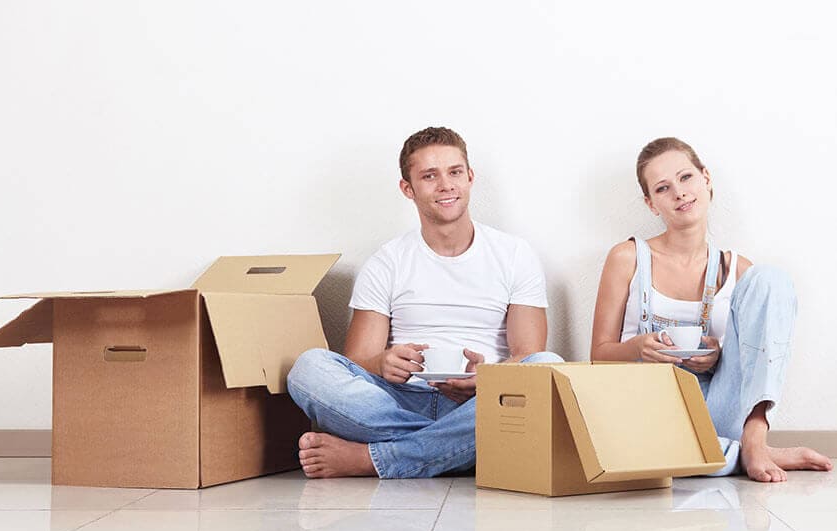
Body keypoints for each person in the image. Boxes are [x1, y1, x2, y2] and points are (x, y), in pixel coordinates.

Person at [286, 126, 562, 478]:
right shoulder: (387, 261)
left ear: (470, 177)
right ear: (408, 188)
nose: (446, 185)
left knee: (548, 366)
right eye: (429, 176)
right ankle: (458, 448)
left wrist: (488, 377)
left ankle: (375, 459)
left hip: (482, 401)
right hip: (398, 400)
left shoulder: (514, 254)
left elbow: (528, 352)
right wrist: (384, 363)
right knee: (309, 368)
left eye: (455, 172)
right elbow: (357, 360)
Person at [590, 137, 832, 482]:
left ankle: (753, 437)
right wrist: (637, 347)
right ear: (651, 203)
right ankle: (748, 455)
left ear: (706, 178)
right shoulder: (627, 257)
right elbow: (597, 357)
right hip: (648, 409)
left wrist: (718, 356)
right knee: (619, 444)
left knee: (771, 278)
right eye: (662, 188)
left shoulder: (739, 270)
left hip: (719, 407)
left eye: (686, 177)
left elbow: (754, 359)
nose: (679, 192)